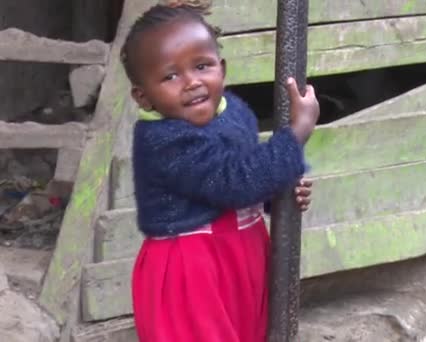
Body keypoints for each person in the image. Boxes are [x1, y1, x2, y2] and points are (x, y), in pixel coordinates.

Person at [119, 1, 320, 341]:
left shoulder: (235, 112)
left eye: (202, 66)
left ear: (222, 69)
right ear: (144, 97)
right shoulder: (164, 140)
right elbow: (234, 183)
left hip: (243, 255)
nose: (191, 82)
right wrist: (297, 133)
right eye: (170, 76)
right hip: (191, 272)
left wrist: (278, 192)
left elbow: (247, 172)